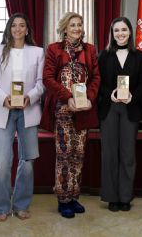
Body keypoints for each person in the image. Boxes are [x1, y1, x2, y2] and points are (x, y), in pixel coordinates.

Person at [0, 13, 45, 222]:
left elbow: (41, 83)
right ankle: (1, 206)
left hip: (28, 110)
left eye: (22, 26)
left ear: (27, 30)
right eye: (14, 25)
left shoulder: (38, 52)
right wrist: (4, 98)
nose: (18, 29)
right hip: (3, 110)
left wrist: (30, 96)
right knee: (1, 161)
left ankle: (21, 204)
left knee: (27, 161)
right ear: (9, 29)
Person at [42, 12, 100, 218]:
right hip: (63, 109)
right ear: (65, 28)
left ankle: (74, 195)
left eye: (79, 25)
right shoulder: (54, 49)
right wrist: (69, 98)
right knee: (64, 154)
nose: (76, 28)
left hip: (84, 110)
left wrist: (88, 99)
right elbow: (48, 78)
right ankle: (63, 198)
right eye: (72, 25)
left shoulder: (90, 50)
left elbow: (96, 78)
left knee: (79, 154)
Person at [97, 17, 142, 212]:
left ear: (130, 32)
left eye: (124, 30)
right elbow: (97, 83)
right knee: (109, 153)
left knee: (127, 154)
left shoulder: (140, 56)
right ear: (112, 34)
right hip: (109, 108)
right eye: (116, 30)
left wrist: (133, 96)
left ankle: (125, 197)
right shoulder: (104, 56)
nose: (120, 34)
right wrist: (111, 94)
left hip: (130, 109)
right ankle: (111, 197)